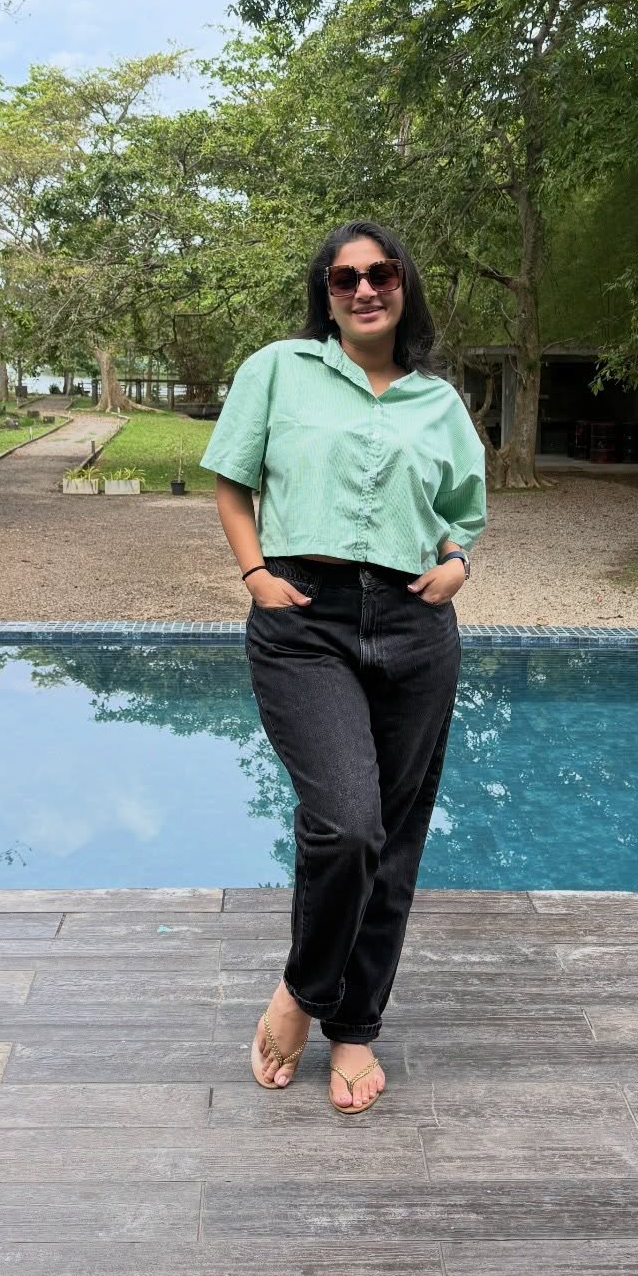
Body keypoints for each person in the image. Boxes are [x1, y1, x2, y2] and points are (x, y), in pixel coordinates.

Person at [201, 220, 487, 1113]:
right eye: (344, 277)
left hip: (414, 624)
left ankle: (355, 1026)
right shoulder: (277, 370)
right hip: (305, 619)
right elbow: (233, 479)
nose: (365, 289)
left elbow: (463, 511)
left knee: (394, 842)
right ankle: (303, 991)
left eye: (381, 272)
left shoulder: (439, 402)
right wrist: (255, 573)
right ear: (325, 294)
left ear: (405, 286)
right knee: (348, 825)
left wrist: (458, 562)